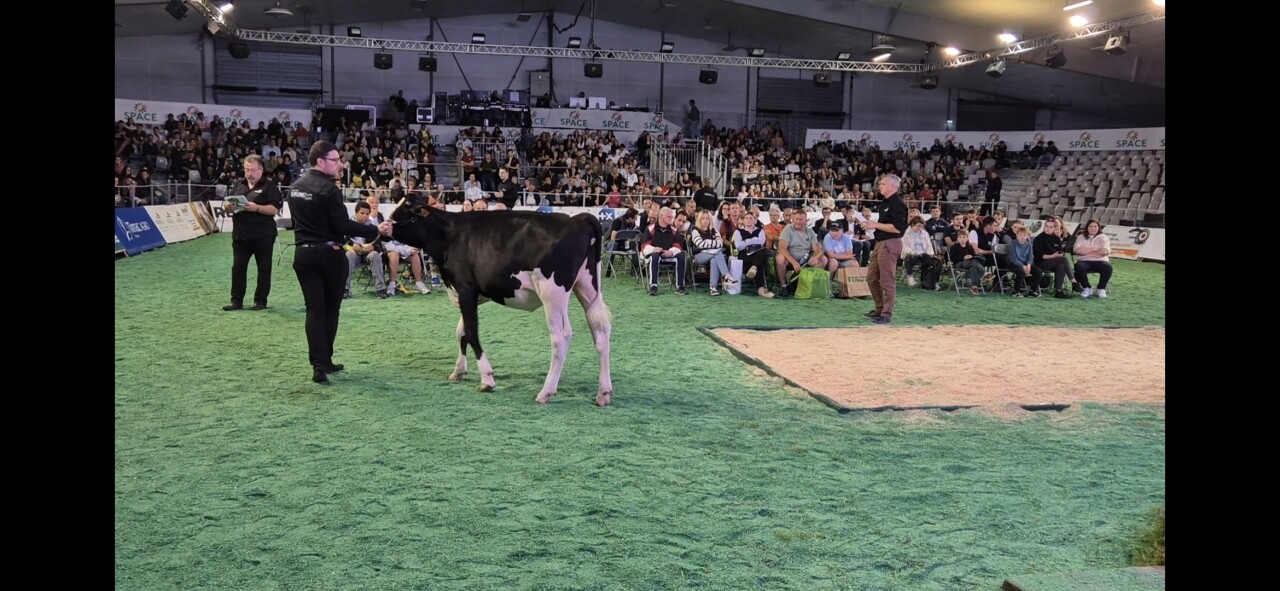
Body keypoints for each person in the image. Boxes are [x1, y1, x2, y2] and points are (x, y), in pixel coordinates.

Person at [288, 140, 394, 383]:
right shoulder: (330, 189)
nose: (340, 164)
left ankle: (318, 364)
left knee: (314, 309)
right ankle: (324, 360)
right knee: (330, 309)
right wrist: (378, 230)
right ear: (321, 161)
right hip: (328, 253)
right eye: (335, 160)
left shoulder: (294, 187)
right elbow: (341, 226)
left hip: (303, 253)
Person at [222, 154, 284, 311]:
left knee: (264, 268)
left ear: (261, 170)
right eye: (246, 170)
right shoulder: (238, 184)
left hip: (263, 235)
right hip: (241, 234)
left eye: (253, 170)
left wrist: (256, 207)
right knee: (237, 268)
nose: (249, 173)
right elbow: (227, 202)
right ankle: (236, 300)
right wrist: (227, 206)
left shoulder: (270, 186)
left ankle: (260, 301)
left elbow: (274, 209)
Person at [860, 174, 909, 323]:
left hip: (891, 243)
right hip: (881, 242)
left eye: (882, 184)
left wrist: (875, 225)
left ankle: (886, 314)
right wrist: (874, 226)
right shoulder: (884, 203)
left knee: (887, 280)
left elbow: (898, 229)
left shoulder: (898, 204)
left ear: (892, 186)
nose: (879, 186)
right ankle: (879, 308)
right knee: (871, 278)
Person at [344, 201, 389, 299]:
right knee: (349, 254)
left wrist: (374, 247)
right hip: (354, 254)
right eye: (362, 213)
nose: (365, 216)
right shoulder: (347, 226)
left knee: (375, 254)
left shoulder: (373, 227)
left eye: (367, 214)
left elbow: (379, 246)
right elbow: (343, 243)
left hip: (368, 254)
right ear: (356, 213)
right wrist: (352, 245)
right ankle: (345, 289)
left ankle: (381, 289)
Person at [1072, 219, 1113, 298]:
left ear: (1098, 227)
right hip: (1084, 261)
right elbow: (1077, 250)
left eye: (1095, 226)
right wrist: (1096, 249)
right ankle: (1087, 288)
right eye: (1091, 226)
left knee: (1108, 267)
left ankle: (1101, 288)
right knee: (1078, 267)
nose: (1093, 228)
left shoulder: (1104, 237)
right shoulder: (1080, 237)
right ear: (1087, 228)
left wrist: (1085, 251)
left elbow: (1104, 252)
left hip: (1100, 261)